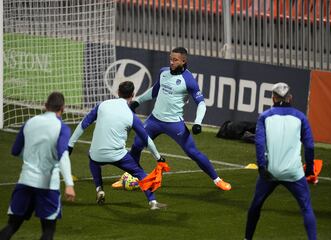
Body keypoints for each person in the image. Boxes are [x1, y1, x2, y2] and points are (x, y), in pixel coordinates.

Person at [112, 47, 231, 191]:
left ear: (183, 61)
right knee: (136, 145)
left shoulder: (188, 80)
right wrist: (138, 101)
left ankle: (217, 180)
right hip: (154, 121)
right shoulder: (163, 72)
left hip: (174, 124)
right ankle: (130, 177)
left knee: (192, 152)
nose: (172, 62)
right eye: (170, 59)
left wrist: (198, 122)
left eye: (175, 60)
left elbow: (201, 103)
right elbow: (155, 91)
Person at [68, 81, 166, 210]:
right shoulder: (131, 116)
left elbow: (83, 124)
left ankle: (99, 189)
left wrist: (70, 144)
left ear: (118, 93)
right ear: (133, 95)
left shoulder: (102, 105)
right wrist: (158, 158)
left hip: (97, 154)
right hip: (118, 156)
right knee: (140, 173)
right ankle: (152, 202)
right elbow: (147, 140)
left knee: (92, 158)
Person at [244, 82, 317, 240]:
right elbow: (310, 146)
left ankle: (247, 238)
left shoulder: (264, 117)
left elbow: (259, 143)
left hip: (271, 171)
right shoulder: (301, 117)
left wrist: (262, 168)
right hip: (294, 173)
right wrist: (310, 170)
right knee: (306, 208)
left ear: (273, 98)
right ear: (290, 98)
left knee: (256, 205)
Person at [0, 92, 76, 240]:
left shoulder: (29, 122)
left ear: (45, 106)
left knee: (12, 226)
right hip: (48, 187)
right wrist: (69, 184)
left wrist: (31, 155)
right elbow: (63, 155)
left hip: (25, 182)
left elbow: (15, 151)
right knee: (48, 230)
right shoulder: (62, 128)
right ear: (63, 108)